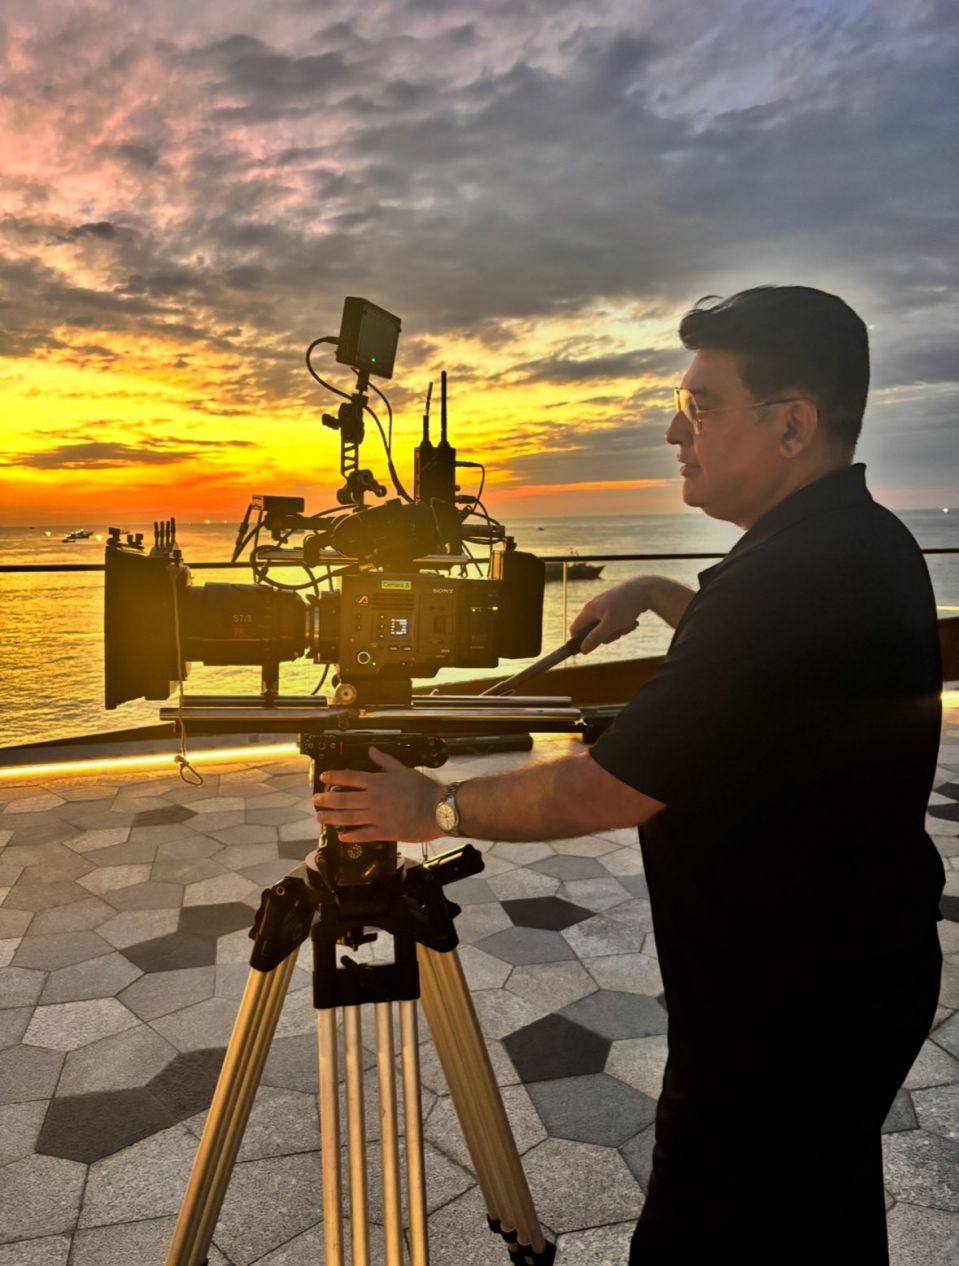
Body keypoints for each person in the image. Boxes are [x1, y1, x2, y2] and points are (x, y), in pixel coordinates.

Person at [313, 285, 945, 1264]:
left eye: (699, 406)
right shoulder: (857, 543)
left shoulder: (784, 582)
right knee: (816, 1218)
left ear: (790, 426)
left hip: (776, 1020)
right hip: (854, 974)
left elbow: (604, 785)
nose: (669, 429)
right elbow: (782, 682)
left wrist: (428, 806)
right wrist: (657, 592)